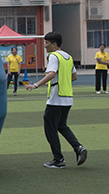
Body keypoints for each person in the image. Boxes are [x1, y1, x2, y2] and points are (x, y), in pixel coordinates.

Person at [26, 32, 87, 169]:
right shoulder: (68, 57)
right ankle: (78, 148)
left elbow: (52, 73)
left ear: (54, 44)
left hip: (56, 98)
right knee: (61, 125)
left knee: (50, 128)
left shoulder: (53, 56)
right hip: (68, 98)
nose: (45, 46)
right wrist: (58, 82)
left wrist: (36, 85)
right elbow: (74, 76)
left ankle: (58, 159)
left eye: (46, 43)